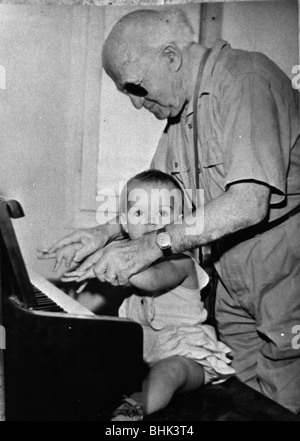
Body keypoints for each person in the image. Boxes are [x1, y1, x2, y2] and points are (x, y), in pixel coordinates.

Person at [40, 9, 300, 413]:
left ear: (171, 57)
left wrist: (154, 246)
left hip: (285, 271)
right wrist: (104, 232)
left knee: (285, 400)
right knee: (247, 403)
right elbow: (160, 199)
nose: (134, 103)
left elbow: (250, 202)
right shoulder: (182, 113)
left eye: (135, 87)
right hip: (233, 279)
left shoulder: (245, 79)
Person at [62, 169, 235, 421]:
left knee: (170, 371)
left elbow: (151, 280)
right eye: (139, 213)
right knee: (96, 352)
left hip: (185, 353)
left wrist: (109, 261)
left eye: (163, 214)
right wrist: (103, 257)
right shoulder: (129, 255)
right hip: (144, 348)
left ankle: (131, 412)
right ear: (125, 221)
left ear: (180, 223)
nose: (151, 222)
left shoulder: (181, 263)